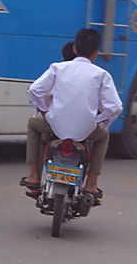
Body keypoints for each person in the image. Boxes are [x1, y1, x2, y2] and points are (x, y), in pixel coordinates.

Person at [21, 28, 123, 199]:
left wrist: (44, 112)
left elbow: (35, 90)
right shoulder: (101, 75)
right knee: (103, 136)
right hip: (87, 130)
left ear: (75, 49)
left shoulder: (58, 68)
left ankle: (34, 175)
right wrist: (99, 121)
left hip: (54, 125)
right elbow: (115, 107)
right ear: (96, 53)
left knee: (33, 125)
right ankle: (91, 184)